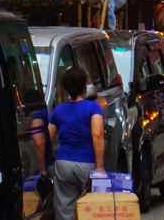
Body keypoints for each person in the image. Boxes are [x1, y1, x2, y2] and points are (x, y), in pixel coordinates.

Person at [49, 67, 105, 220]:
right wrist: (99, 167)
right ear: (84, 86)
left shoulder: (58, 110)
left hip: (63, 163)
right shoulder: (94, 108)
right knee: (92, 207)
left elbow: (49, 137)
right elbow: (97, 135)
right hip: (87, 163)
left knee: (65, 208)